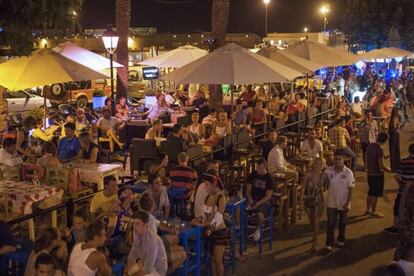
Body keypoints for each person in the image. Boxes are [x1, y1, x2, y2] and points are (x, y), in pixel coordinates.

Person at [193, 173, 228, 276]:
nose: (205, 187)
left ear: (214, 184)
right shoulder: (207, 196)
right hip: (209, 232)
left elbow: (217, 219)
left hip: (219, 232)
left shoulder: (221, 197)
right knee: (212, 259)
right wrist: (198, 219)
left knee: (217, 260)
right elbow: (204, 216)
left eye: (207, 185)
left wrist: (201, 225)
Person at [325, 152, 354, 251]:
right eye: (336, 159)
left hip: (343, 201)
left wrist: (348, 202)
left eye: (339, 159)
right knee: (330, 223)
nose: (337, 161)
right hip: (331, 201)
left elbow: (350, 189)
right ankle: (329, 243)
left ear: (343, 160)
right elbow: (322, 179)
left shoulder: (348, 173)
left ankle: (341, 239)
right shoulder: (328, 170)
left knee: (342, 222)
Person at [126, 210, 168, 276]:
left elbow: (148, 269)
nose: (134, 227)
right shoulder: (137, 236)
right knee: (126, 271)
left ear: (146, 225)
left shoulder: (152, 240)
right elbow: (132, 257)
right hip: (143, 264)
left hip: (157, 270)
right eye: (133, 223)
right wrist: (128, 271)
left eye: (138, 224)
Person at [385, 143, 414, 234]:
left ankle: (396, 227)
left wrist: (402, 184)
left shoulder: (404, 161)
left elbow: (397, 176)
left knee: (398, 208)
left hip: (404, 191)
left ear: (409, 151)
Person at [303, 157, 329, 252]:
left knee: (316, 220)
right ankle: (316, 234)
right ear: (313, 164)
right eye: (316, 163)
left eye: (320, 164)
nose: (318, 165)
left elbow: (327, 189)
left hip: (319, 200)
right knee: (311, 220)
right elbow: (303, 187)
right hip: (309, 199)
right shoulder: (308, 175)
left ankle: (314, 241)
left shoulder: (325, 176)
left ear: (322, 166)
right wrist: (302, 198)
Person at [246, 158, 274, 241]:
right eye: (257, 168)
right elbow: (248, 189)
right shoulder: (252, 175)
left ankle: (258, 229)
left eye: (261, 168)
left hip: (264, 200)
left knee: (259, 213)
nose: (258, 170)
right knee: (239, 208)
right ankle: (241, 226)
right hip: (253, 197)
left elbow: (268, 196)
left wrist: (257, 204)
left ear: (265, 167)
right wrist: (250, 198)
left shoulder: (269, 178)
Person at [365, 132, 391, 218]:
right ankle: (373, 211)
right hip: (377, 174)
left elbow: (368, 157)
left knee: (370, 191)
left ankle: (367, 209)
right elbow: (381, 165)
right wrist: (389, 170)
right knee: (375, 194)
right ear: (385, 141)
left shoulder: (370, 145)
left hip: (370, 173)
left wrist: (385, 156)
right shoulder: (380, 149)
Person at [388, 107, 402, 172]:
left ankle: (397, 166)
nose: (400, 112)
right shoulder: (393, 119)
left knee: (397, 150)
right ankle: (393, 167)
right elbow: (392, 129)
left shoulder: (398, 118)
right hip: (393, 135)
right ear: (396, 112)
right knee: (393, 151)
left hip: (396, 135)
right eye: (399, 111)